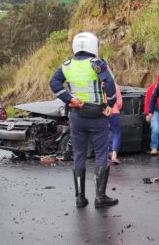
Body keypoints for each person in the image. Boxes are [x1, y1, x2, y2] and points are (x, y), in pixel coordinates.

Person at [49, 31, 118, 209]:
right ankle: (100, 197)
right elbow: (109, 83)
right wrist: (111, 102)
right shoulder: (96, 64)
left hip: (76, 115)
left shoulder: (66, 65)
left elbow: (54, 83)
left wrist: (69, 99)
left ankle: (80, 198)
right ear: (93, 46)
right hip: (96, 115)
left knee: (79, 154)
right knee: (101, 154)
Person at [144, 72, 159, 155]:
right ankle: (154, 148)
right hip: (154, 111)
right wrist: (147, 113)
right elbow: (148, 101)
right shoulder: (152, 87)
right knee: (156, 129)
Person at [108, 83, 122, 164]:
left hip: (101, 112)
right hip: (114, 111)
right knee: (116, 133)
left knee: (104, 133)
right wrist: (116, 107)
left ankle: (105, 156)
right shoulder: (114, 85)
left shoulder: (97, 83)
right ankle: (114, 155)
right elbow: (119, 101)